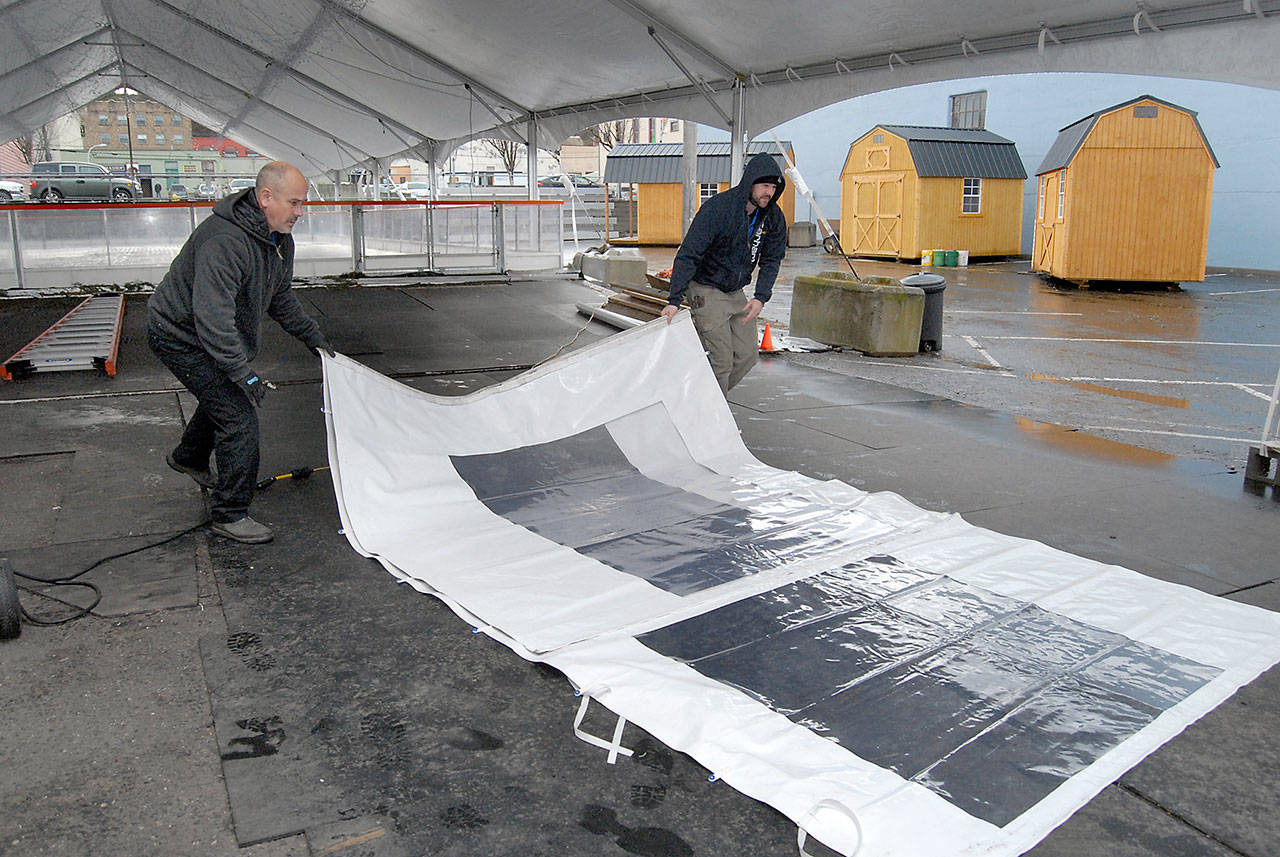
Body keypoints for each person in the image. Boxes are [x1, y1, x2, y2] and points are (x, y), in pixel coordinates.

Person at [147, 161, 332, 544]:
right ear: (266, 198)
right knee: (238, 417)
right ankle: (230, 513)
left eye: (303, 203)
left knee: (221, 399)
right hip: (179, 335)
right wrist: (241, 371)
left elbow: (280, 298)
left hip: (206, 333)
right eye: (295, 203)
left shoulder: (278, 240)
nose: (301, 212)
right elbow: (211, 317)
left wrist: (317, 343)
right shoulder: (225, 241)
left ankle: (189, 457)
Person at [661, 151, 787, 393]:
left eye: (772, 187)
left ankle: (700, 399)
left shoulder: (772, 217)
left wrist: (760, 297)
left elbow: (772, 259)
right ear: (750, 182)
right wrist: (674, 299)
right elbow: (689, 253)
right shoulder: (720, 208)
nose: (768, 192)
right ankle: (710, 419)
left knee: (748, 355)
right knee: (721, 361)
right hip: (705, 287)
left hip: (734, 291)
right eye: (763, 185)